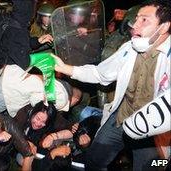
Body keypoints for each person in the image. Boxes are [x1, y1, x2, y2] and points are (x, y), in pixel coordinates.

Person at [53, 0, 171, 170]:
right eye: (136, 19)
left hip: (152, 133)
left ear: (164, 26)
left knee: (152, 166)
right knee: (94, 160)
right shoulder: (128, 48)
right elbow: (99, 74)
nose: (134, 25)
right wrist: (65, 68)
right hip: (121, 118)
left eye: (144, 20)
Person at [0, 0, 53, 71]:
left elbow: (22, 43)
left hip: (6, 70)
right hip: (6, 75)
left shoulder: (13, 21)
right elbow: (24, 62)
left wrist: (37, 41)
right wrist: (47, 58)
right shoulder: (15, 30)